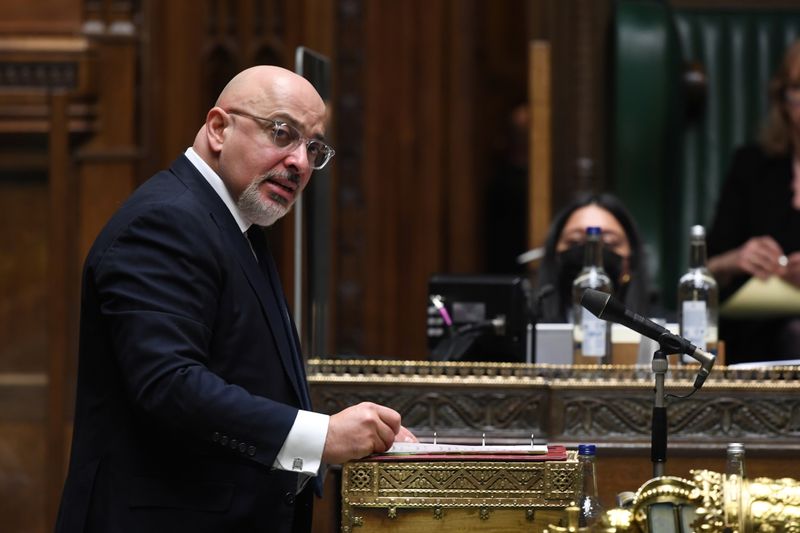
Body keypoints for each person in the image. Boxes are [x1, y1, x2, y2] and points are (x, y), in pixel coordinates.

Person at [54, 65, 416, 533]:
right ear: (219, 128)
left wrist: (352, 439)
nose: (300, 163)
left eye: (313, 147)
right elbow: (171, 385)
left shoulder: (233, 217)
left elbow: (246, 377)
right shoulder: (167, 221)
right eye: (282, 133)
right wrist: (323, 436)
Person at [707, 40, 800, 363]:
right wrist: (737, 259)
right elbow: (705, 269)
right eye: (798, 88)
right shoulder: (752, 165)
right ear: (782, 99)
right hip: (752, 330)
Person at [534, 192, 651, 323]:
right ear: (554, 255)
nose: (591, 251)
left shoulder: (663, 331)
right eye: (575, 241)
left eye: (608, 242)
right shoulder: (528, 328)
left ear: (630, 261)